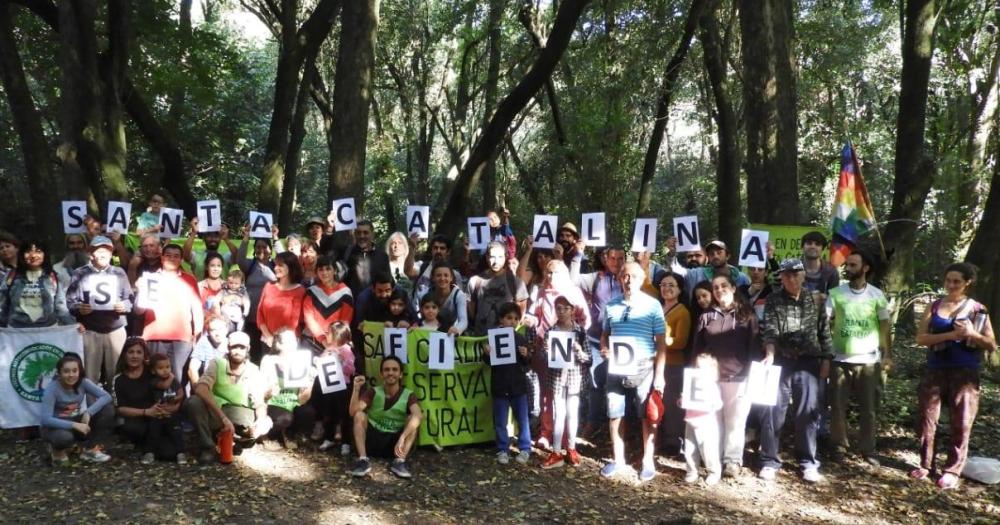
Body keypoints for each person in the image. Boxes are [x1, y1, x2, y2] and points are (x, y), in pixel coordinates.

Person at [912, 262, 996, 490]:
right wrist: (950, 334)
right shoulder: (935, 306)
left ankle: (952, 469)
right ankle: (926, 464)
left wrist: (971, 334)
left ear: (967, 282)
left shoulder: (978, 309)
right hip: (935, 369)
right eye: (948, 280)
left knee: (961, 422)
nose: (951, 285)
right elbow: (921, 338)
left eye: (956, 281)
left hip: (965, 372)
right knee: (928, 419)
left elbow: (991, 344)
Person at [758, 258, 834, 484]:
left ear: (803, 275)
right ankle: (769, 460)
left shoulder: (816, 299)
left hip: (809, 363)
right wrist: (770, 354)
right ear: (780, 277)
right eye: (786, 275)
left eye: (795, 274)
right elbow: (769, 330)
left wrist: (827, 359)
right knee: (773, 412)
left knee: (808, 414)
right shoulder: (773, 299)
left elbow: (824, 331)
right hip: (780, 361)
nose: (790, 278)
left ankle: (808, 462)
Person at [599, 262, 667, 483]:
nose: (629, 281)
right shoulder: (611, 305)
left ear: (642, 279)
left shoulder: (653, 305)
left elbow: (661, 343)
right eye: (625, 276)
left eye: (634, 277)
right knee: (615, 413)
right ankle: (618, 459)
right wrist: (604, 348)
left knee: (647, 415)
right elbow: (605, 334)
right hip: (616, 369)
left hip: (644, 368)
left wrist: (659, 374)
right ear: (619, 279)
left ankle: (648, 460)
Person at [826, 250, 891, 467]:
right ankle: (839, 446)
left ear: (865, 268)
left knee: (869, 408)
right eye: (848, 265)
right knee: (836, 406)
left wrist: (887, 354)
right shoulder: (835, 293)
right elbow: (824, 323)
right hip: (839, 360)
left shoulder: (876, 295)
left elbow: (884, 326)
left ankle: (868, 448)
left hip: (869, 362)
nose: (848, 268)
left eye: (853, 265)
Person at [692, 274, 761, 478]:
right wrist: (694, 374)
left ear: (732, 288)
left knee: (735, 422)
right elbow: (696, 349)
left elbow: (755, 348)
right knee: (712, 422)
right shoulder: (706, 316)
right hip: (709, 378)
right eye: (715, 287)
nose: (719, 290)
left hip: (738, 377)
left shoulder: (747, 315)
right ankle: (714, 460)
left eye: (724, 286)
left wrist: (752, 375)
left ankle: (732, 461)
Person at [186, 331, 272, 464]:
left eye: (242, 347)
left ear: (248, 349)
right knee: (193, 402)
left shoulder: (253, 370)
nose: (237, 351)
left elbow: (259, 401)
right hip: (217, 413)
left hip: (240, 415)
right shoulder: (217, 363)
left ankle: (235, 440)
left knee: (264, 421)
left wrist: (260, 419)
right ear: (228, 348)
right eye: (234, 347)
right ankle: (208, 447)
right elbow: (201, 388)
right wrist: (223, 418)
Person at [66, 236, 134, 386]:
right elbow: (70, 301)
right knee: (90, 374)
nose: (103, 254)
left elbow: (130, 299)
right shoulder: (80, 273)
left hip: (115, 329)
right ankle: (91, 408)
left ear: (111, 254)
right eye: (99, 251)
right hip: (90, 330)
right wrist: (79, 308)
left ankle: (117, 407)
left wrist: (124, 305)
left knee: (116, 374)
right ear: (91, 254)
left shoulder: (119, 272)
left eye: (107, 251)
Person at [571, 246, 625, 437]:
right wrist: (578, 254)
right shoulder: (596, 278)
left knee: (622, 382)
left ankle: (623, 425)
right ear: (605, 259)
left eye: (620, 258)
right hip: (595, 339)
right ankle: (593, 421)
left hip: (622, 341)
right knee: (595, 382)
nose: (616, 262)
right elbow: (573, 280)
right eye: (612, 258)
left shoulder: (629, 278)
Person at [133, 243, 204, 381]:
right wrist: (141, 292)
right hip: (154, 335)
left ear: (181, 259)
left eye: (176, 256)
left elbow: (197, 309)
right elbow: (138, 311)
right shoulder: (149, 278)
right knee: (155, 376)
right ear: (162, 257)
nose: (172, 258)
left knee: (177, 377)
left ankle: (177, 402)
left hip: (182, 337)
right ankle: (156, 404)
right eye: (168, 255)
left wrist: (198, 334)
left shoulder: (190, 279)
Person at [349, 355, 422, 479]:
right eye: (387, 370)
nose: (390, 373)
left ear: (400, 374)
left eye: (394, 370)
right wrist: (356, 389)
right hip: (373, 440)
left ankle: (400, 461)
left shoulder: (408, 395)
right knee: (359, 415)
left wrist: (403, 437)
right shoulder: (373, 391)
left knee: (413, 420)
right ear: (381, 374)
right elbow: (353, 412)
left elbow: (418, 415)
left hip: (395, 444)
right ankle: (363, 460)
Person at [114, 337, 184, 463]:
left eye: (139, 352)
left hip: (161, 416)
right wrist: (146, 412)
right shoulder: (119, 379)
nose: (135, 356)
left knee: (169, 453)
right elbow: (120, 409)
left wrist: (175, 406)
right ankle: (143, 446)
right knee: (130, 428)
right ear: (124, 354)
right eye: (131, 352)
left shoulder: (154, 370)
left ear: (144, 355)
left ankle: (152, 446)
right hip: (139, 418)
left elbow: (174, 388)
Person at [540, 296, 591, 469]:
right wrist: (546, 351)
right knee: (559, 413)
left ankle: (571, 448)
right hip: (556, 380)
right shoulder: (551, 332)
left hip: (575, 378)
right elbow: (544, 358)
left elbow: (589, 358)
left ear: (572, 310)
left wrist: (579, 351)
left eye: (565, 308)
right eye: (558, 308)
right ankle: (556, 451)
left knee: (572, 413)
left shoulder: (580, 332)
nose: (561, 312)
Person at [40, 353, 114, 464]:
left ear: (79, 372)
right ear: (59, 373)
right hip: (54, 427)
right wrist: (74, 425)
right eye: (66, 371)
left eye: (75, 371)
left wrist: (89, 412)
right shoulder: (52, 389)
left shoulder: (83, 382)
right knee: (64, 438)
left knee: (108, 410)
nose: (71, 375)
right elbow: (45, 419)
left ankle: (90, 450)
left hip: (75, 420)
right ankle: (56, 450)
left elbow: (106, 396)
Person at [485, 302, 533, 465]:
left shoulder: (521, 338)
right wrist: (486, 354)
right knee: (500, 421)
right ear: (501, 320)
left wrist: (526, 355)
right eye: (508, 318)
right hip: (499, 387)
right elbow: (488, 362)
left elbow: (527, 365)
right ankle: (502, 449)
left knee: (523, 419)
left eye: (515, 319)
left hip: (518, 387)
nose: (512, 322)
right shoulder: (493, 338)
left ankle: (525, 448)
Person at [0, 238, 76, 328]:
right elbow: (2, 306)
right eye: (28, 251)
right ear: (21, 254)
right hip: (16, 332)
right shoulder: (11, 276)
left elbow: (60, 306)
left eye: (38, 251)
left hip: (48, 329)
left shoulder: (53, 276)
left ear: (45, 254)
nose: (33, 256)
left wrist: (73, 326)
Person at [260, 328, 315, 450]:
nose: (293, 343)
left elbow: (302, 400)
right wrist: (270, 390)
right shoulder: (269, 361)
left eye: (294, 340)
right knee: (285, 417)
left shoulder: (302, 362)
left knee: (308, 413)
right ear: (279, 344)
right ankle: (267, 435)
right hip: (274, 402)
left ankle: (289, 433)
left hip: (292, 402)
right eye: (288, 341)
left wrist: (311, 381)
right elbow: (262, 393)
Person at [657, 272, 691, 456]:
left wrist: (661, 341)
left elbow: (681, 342)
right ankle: (658, 437)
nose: (666, 288)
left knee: (672, 403)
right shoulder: (657, 307)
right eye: (663, 284)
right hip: (655, 363)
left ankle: (673, 441)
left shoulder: (682, 311)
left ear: (679, 289)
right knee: (657, 401)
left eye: (671, 285)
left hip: (673, 365)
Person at [312, 321, 355, 454]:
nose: (326, 335)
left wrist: (342, 362)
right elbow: (322, 364)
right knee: (328, 412)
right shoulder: (328, 349)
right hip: (329, 386)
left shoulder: (347, 350)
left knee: (344, 415)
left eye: (329, 333)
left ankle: (346, 442)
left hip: (343, 387)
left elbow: (352, 369)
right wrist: (318, 362)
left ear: (337, 335)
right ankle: (329, 437)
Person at [468, 241, 529, 335]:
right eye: (492, 257)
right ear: (487, 257)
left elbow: (521, 310)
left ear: (505, 257)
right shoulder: (475, 281)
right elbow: (471, 309)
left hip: (506, 337)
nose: (496, 261)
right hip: (480, 337)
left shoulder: (516, 282)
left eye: (500, 257)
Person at [237, 227, 277, 361]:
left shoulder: (276, 266)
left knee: (267, 353)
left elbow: (287, 258)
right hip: (251, 318)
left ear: (271, 250)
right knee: (252, 351)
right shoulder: (250, 265)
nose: (261, 250)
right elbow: (240, 258)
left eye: (265, 247)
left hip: (269, 319)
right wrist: (246, 238)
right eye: (258, 247)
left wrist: (276, 238)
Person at [682, 354, 722, 485]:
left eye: (703, 368)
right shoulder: (690, 384)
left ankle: (714, 472)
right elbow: (683, 401)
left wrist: (712, 404)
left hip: (707, 423)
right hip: (690, 421)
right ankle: (692, 471)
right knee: (690, 449)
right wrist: (681, 400)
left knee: (709, 451)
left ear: (712, 371)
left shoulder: (712, 386)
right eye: (697, 367)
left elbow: (718, 404)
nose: (699, 370)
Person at [256, 251, 307, 353]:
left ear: (290, 267)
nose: (275, 268)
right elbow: (259, 314)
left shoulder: (299, 291)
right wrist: (269, 336)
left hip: (287, 342)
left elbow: (294, 321)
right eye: (275, 265)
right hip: (267, 340)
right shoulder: (268, 286)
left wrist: (277, 340)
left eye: (280, 265)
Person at [303, 256, 355, 348]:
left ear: (334, 270)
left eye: (328, 269)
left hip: (338, 342)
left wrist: (334, 342)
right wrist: (323, 339)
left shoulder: (345, 292)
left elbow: (345, 321)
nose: (324, 272)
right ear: (317, 272)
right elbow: (309, 318)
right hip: (312, 341)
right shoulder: (311, 292)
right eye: (321, 269)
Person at [147, 353, 187, 463]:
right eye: (161, 368)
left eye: (168, 367)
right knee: (153, 432)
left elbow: (181, 392)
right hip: (157, 413)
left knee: (176, 432)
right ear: (153, 370)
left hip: (172, 413)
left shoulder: (174, 381)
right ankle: (150, 452)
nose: (165, 370)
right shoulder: (154, 381)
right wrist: (172, 376)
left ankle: (180, 453)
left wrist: (177, 399)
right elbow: (164, 386)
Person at [683, 241, 749, 300]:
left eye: (719, 253)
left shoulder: (742, 278)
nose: (715, 256)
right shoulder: (697, 274)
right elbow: (678, 271)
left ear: (727, 256)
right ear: (708, 258)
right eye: (711, 254)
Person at [339, 220, 390, 296]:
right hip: (351, 304)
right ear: (355, 235)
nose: (361, 236)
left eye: (365, 233)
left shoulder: (382, 256)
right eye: (358, 233)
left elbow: (387, 282)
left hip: (375, 304)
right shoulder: (346, 253)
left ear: (372, 234)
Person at [421, 261, 468, 335]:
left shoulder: (459, 295)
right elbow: (421, 315)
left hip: (452, 333)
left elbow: (463, 320)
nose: (442, 278)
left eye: (446, 275)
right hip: (431, 331)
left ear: (451, 278)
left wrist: (457, 329)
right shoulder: (426, 293)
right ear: (433, 278)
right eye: (438, 275)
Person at [189, 316, 229, 384]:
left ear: (226, 329)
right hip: (208, 385)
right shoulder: (204, 341)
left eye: (220, 329)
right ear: (208, 332)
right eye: (213, 330)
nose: (217, 333)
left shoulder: (232, 344)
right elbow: (192, 369)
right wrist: (198, 389)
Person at [800, 231, 840, 299]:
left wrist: (824, 298)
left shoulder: (831, 272)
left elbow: (834, 300)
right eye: (809, 243)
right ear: (802, 247)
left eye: (817, 244)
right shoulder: (792, 269)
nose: (813, 246)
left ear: (822, 249)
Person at [218, 267, 251, 333]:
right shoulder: (224, 290)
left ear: (241, 283)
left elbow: (247, 302)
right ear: (227, 281)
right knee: (224, 326)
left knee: (241, 322)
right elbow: (218, 298)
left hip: (236, 312)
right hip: (225, 313)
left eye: (236, 284)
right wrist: (220, 301)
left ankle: (239, 332)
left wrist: (245, 312)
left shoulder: (242, 292)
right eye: (231, 283)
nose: (233, 285)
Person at [385, 232, 418, 298]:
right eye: (393, 243)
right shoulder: (384, 266)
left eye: (400, 243)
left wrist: (412, 246)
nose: (396, 246)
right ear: (389, 246)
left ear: (405, 246)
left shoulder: (413, 266)